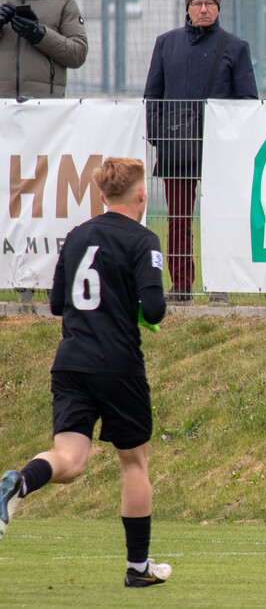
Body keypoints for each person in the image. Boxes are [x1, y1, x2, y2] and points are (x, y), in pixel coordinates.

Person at [0, 157, 172, 587]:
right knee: (135, 463)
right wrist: (131, 305)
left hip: (71, 362)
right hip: (117, 365)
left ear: (101, 195)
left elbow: (59, 303)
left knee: (69, 460)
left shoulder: (77, 236)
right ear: (141, 194)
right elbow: (154, 309)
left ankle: (18, 482)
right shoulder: (144, 239)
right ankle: (137, 569)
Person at [144, 0, 258, 304]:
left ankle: (218, 282)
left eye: (209, 3)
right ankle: (181, 286)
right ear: (188, 9)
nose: (204, 9)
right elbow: (152, 95)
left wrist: (236, 144)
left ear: (219, 8)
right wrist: (157, 138)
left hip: (219, 154)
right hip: (175, 150)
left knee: (217, 220)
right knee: (178, 220)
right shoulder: (166, 44)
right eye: (197, 4)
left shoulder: (236, 47)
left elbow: (247, 101)